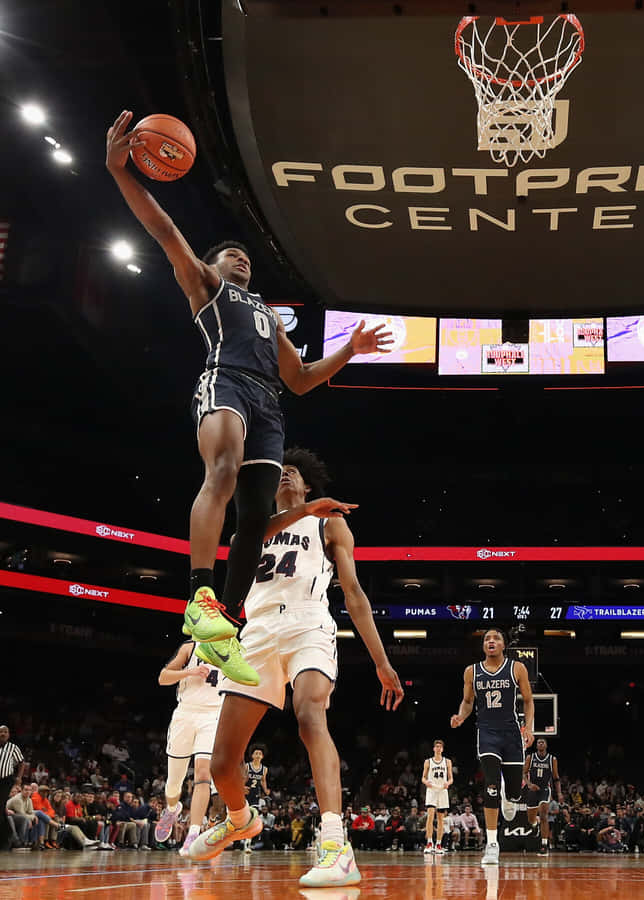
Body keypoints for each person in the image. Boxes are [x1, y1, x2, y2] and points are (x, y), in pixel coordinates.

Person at [105, 111, 390, 686]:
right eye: (231, 255)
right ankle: (199, 595)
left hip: (268, 402)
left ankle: (223, 625)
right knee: (225, 470)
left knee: (258, 514)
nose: (242, 259)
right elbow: (163, 229)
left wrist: (350, 351)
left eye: (247, 259)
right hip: (226, 382)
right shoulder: (207, 288)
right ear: (209, 267)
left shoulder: (268, 314)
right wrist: (122, 173)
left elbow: (303, 379)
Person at [188, 447, 403, 888]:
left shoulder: (329, 523)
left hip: (308, 623)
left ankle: (335, 844)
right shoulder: (251, 530)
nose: (286, 475)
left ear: (308, 484)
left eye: (294, 473)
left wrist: (382, 661)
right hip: (258, 633)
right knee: (224, 765)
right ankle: (239, 819)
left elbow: (355, 593)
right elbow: (243, 544)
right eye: (280, 472)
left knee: (309, 714)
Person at [450, 628, 535, 866]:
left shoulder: (516, 668)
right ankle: (492, 844)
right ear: (483, 646)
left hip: (511, 733)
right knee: (490, 785)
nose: (491, 641)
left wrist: (528, 728)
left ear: (503, 645)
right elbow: (467, 702)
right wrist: (460, 717)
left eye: (496, 638)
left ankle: (511, 794)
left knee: (515, 794)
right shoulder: (472, 671)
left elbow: (528, 701)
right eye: (487, 638)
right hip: (487, 733)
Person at [155, 640, 224, 857]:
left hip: (212, 716)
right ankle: (173, 808)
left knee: (203, 775)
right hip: (185, 714)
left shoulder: (235, 650)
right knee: (173, 784)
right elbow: (163, 678)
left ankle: (193, 834)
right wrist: (189, 672)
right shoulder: (190, 647)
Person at [524, 737, 561, 856]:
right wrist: (529, 784)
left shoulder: (552, 759)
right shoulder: (530, 757)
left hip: (545, 789)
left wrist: (559, 793)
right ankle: (535, 825)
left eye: (542, 742)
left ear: (546, 745)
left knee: (544, 815)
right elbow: (523, 773)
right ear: (536, 746)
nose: (540, 743)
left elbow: (556, 777)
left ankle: (544, 845)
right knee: (531, 819)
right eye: (538, 742)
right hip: (533, 790)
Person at [422, 740, 453, 855]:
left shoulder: (447, 762)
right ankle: (429, 842)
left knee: (441, 819)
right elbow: (423, 778)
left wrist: (448, 783)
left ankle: (438, 844)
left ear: (442, 749)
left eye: (440, 747)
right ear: (434, 749)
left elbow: (451, 778)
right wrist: (426, 783)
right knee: (430, 816)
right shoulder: (428, 762)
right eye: (436, 746)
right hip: (431, 790)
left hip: (442, 790)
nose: (438, 748)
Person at [0, 725, 25, 851]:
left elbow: (21, 762)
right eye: (1, 732)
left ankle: (7, 838)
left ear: (9, 734)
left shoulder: (13, 747)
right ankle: (9, 837)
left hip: (6, 780)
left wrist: (19, 778)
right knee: (1, 811)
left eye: (5, 732)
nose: (3, 734)